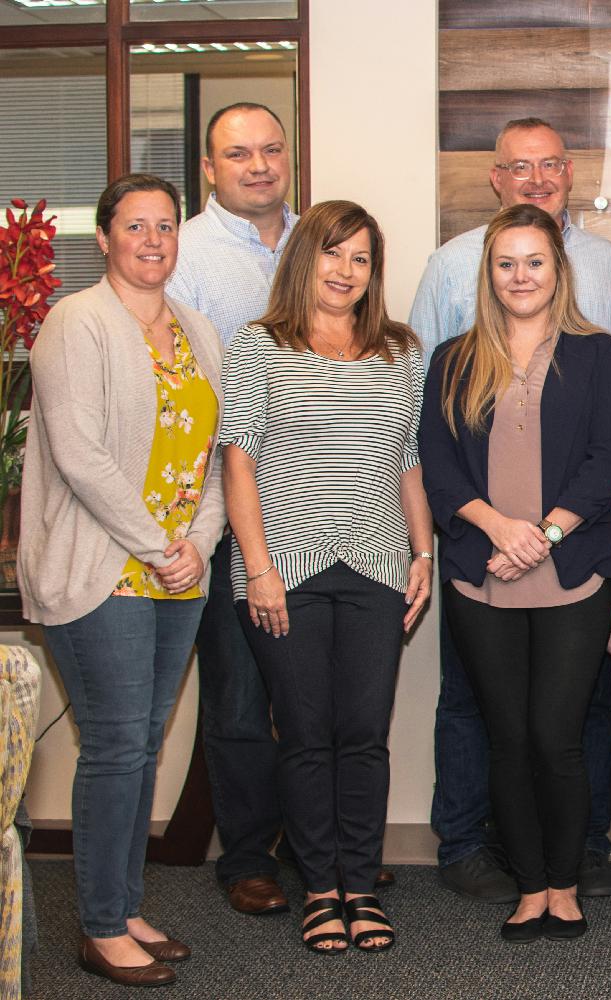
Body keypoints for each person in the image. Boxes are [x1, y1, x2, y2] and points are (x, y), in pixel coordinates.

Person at [409, 115, 611, 901]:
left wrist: (541, 534)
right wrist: (497, 530)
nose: (520, 275)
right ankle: (530, 888)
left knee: (558, 738)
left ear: (558, 267)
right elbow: (436, 462)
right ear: (488, 271)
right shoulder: (452, 358)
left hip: (569, 568)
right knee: (505, 740)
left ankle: (566, 887)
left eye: (534, 261)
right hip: (482, 568)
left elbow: (610, 459)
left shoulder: (598, 353)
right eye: (506, 263)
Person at [20, 174, 226, 987]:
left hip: (177, 573)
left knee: (142, 745)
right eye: (135, 225)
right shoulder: (75, 323)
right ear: (103, 238)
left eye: (166, 226)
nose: (152, 239)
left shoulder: (199, 329)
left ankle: (127, 904)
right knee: (112, 746)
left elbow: (215, 458)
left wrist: (197, 544)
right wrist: (155, 543)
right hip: (103, 566)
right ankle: (101, 926)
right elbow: (80, 456)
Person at [221, 200, 431, 954]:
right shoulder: (259, 345)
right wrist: (259, 569)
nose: (346, 272)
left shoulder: (400, 349)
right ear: (305, 256)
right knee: (306, 734)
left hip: (377, 566)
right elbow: (238, 458)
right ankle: (319, 888)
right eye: (334, 254)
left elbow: (407, 460)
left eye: (362, 259)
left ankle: (362, 884)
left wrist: (423, 554)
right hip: (287, 570)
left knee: (365, 735)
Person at [165, 101, 299, 917]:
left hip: (319, 506)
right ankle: (248, 855)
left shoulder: (317, 239)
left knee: (314, 694)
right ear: (210, 169)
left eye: (271, 150)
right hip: (226, 509)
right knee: (243, 695)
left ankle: (319, 844)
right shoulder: (185, 255)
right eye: (237, 154)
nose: (258, 165)